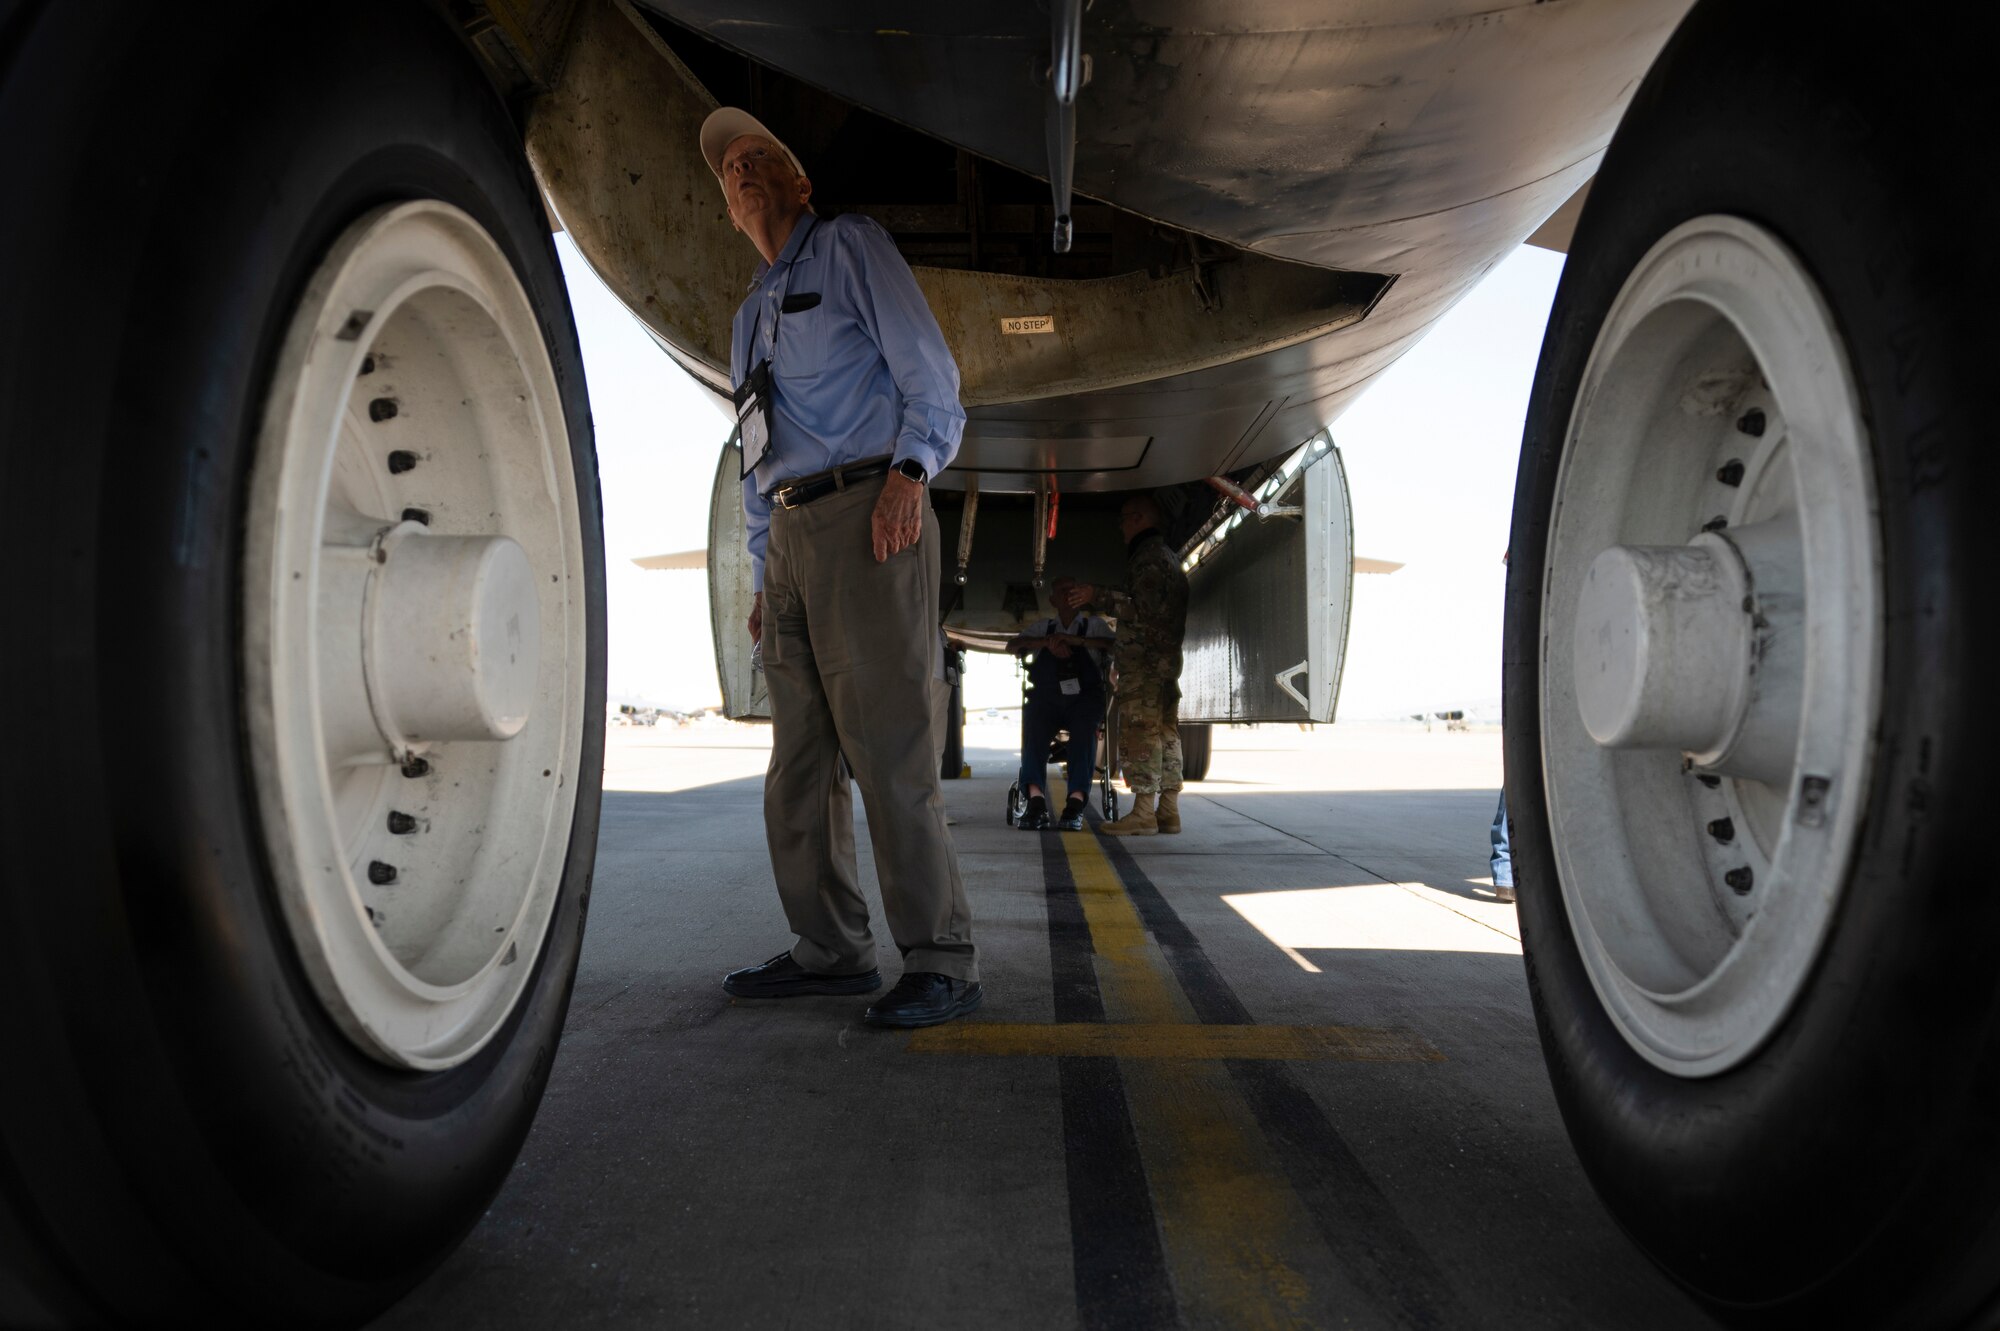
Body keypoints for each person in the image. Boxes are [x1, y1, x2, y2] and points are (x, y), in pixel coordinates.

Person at [700, 107, 981, 1028]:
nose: (741, 173)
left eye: (758, 158)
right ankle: (831, 950)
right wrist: (758, 570)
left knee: (892, 749)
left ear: (797, 183)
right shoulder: (748, 318)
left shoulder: (851, 247)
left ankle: (941, 958)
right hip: (788, 538)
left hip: (872, 513)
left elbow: (928, 371)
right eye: (729, 170)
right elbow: (752, 450)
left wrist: (911, 471)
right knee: (797, 767)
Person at [1061, 494, 1189, 836]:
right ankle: (1168, 811)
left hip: (1145, 665)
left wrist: (1096, 596)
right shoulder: (1169, 558)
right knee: (1165, 733)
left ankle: (1144, 814)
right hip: (1163, 664)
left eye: (1123, 519)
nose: (1120, 527)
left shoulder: (1149, 559)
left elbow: (1143, 608)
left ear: (1138, 519)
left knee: (1140, 733)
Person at [1008, 576, 1115, 832]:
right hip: (1047, 699)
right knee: (1033, 728)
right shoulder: (1044, 628)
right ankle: (1036, 801)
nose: (1068, 595)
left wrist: (1077, 642)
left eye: (1073, 590)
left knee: (1084, 732)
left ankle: (1075, 804)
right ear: (1053, 599)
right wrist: (1048, 643)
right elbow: (1013, 645)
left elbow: (1115, 645)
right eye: (1063, 591)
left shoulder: (1094, 626)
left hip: (1084, 700)